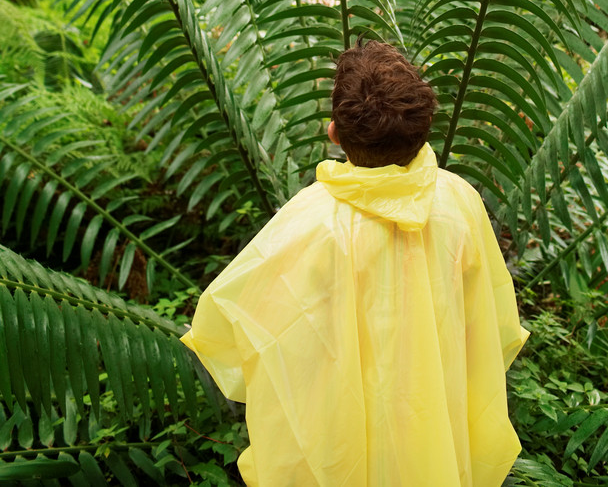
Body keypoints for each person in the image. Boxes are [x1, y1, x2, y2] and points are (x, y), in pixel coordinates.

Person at [181, 40, 529, 487]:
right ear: (424, 131)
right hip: (434, 430)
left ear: (334, 133)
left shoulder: (311, 220)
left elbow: (236, 322)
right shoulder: (459, 201)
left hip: (337, 443)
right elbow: (490, 318)